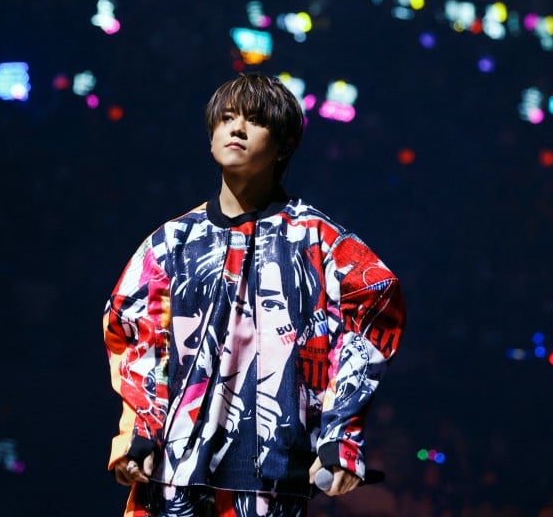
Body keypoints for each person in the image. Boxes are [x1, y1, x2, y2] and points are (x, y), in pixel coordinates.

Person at [103, 73, 406, 517]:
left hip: (269, 481)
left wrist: (339, 432)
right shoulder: (172, 243)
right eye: (226, 119)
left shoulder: (318, 240)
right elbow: (135, 333)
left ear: (283, 145)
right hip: (171, 475)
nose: (236, 129)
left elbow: (376, 302)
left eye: (254, 121)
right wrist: (140, 433)